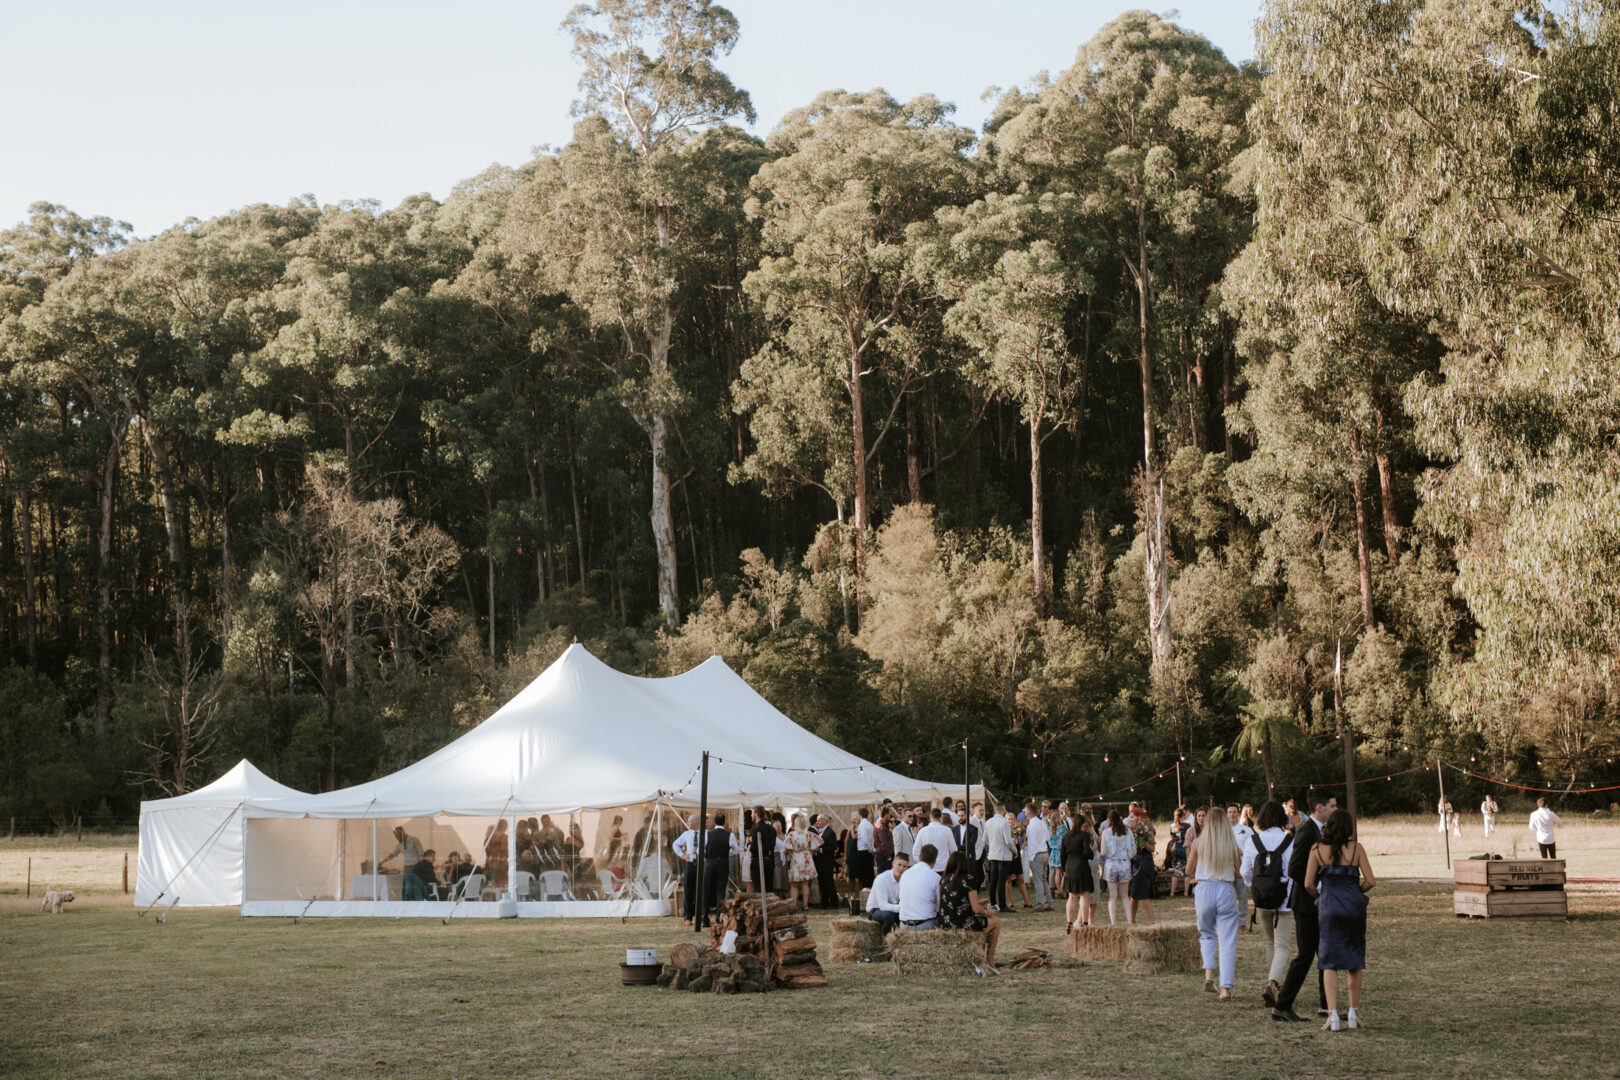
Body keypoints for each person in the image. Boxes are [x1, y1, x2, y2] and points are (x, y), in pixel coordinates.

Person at [1305, 809, 1376, 1031]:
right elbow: (1371, 881)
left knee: (1329, 962)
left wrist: (1321, 898)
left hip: (1328, 907)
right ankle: (1353, 1013)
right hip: (1353, 907)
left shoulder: (1316, 850)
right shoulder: (1357, 849)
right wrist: (1356, 891)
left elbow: (1308, 884)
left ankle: (1333, 1015)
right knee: (1354, 960)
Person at [1272, 790, 1336, 1023]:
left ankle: (1325, 1004)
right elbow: (1294, 869)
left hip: (1318, 901)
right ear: (1319, 808)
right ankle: (1282, 1006)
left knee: (1324, 952)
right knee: (1306, 955)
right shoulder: (1307, 831)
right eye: (1332, 805)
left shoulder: (1322, 830)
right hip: (1306, 902)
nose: (1335, 810)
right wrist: (1318, 885)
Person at [1242, 800, 1295, 1007]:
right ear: (1282, 819)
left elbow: (1245, 872)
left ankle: (1278, 985)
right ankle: (1272, 984)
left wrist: (1255, 883)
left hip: (1262, 899)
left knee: (1269, 942)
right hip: (1285, 899)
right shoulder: (1289, 841)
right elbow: (1292, 871)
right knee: (1282, 945)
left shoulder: (1253, 841)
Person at [1189, 806, 1242, 1000]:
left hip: (1204, 889)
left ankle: (1209, 975)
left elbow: (1188, 870)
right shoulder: (1232, 844)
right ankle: (1225, 988)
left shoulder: (1198, 843)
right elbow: (1238, 873)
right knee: (1227, 940)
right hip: (1225, 889)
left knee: (1207, 934)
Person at [939, 850, 1002, 974]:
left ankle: (979, 956)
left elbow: (957, 900)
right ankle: (989, 959)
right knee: (995, 922)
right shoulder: (968, 879)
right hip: (962, 925)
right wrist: (988, 912)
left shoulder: (944, 879)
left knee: (982, 921)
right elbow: (976, 909)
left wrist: (978, 902)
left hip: (945, 925)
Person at [1062, 807, 1096, 930]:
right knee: (1084, 895)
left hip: (1070, 867)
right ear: (1082, 824)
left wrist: (1064, 870)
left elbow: (1062, 855)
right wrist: (1091, 854)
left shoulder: (1066, 836)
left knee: (1072, 896)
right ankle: (1085, 923)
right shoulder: (1084, 835)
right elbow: (1087, 852)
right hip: (1081, 866)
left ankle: (1069, 923)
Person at [1101, 809, 1136, 926]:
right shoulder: (1128, 832)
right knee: (1125, 896)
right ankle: (1129, 921)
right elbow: (1133, 851)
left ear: (1109, 820)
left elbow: (1103, 852)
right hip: (1124, 864)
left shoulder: (1106, 832)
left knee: (1112, 897)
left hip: (1111, 864)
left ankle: (1113, 922)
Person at [898, 843, 943, 929]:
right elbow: (941, 905)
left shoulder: (905, 874)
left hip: (903, 925)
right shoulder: (936, 877)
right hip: (925, 925)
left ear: (919, 857)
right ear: (935, 861)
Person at [1126, 803, 1157, 924]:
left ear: (1139, 817)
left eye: (1132, 817)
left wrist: (1142, 838)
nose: (1130, 819)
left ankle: (1152, 922)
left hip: (1144, 861)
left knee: (1143, 894)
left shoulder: (1147, 829)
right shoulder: (1130, 830)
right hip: (1134, 862)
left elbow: (1152, 848)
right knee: (1134, 895)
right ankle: (1131, 921)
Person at [784, 813, 823, 908]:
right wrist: (810, 847)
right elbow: (821, 841)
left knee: (794, 884)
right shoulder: (809, 834)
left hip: (796, 858)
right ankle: (805, 905)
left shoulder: (791, 834)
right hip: (807, 858)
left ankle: (794, 905)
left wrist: (794, 849)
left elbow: (787, 848)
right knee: (805, 883)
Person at [984, 803, 1017, 911]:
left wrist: (991, 847)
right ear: (1003, 810)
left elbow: (985, 840)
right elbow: (1008, 840)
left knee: (993, 880)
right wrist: (1015, 850)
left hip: (993, 854)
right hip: (1003, 855)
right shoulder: (1004, 823)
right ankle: (1002, 905)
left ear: (994, 810)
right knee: (1002, 881)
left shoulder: (988, 822)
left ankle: (994, 903)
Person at [866, 853, 908, 934]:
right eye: (899, 865)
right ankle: (887, 941)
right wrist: (902, 908)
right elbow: (882, 905)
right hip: (875, 910)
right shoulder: (882, 879)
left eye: (905, 866)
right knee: (889, 916)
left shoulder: (905, 880)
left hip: (894, 908)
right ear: (893, 864)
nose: (901, 868)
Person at [1229, 804, 1254, 928]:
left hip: (1242, 866)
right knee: (1228, 896)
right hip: (1227, 866)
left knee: (1242, 896)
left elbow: (1254, 847)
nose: (1232, 814)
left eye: (1234, 812)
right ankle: (1230, 921)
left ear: (1238, 814)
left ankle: (1242, 921)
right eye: (1229, 812)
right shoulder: (1223, 831)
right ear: (1226, 814)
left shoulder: (1246, 830)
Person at [673, 814, 701, 923]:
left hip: (701, 864)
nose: (687, 823)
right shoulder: (686, 834)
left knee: (701, 890)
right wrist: (682, 855)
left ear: (695, 822)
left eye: (689, 822)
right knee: (688, 890)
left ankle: (702, 915)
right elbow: (675, 844)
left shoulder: (706, 834)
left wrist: (698, 851)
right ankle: (688, 916)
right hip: (690, 864)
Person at [1025, 805, 1053, 911]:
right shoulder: (1042, 823)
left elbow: (1031, 843)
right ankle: (1049, 903)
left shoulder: (1031, 826)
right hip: (1045, 852)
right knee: (1043, 879)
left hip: (1037, 854)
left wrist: (1031, 858)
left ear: (1029, 813)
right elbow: (1047, 838)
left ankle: (1040, 904)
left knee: (1038, 881)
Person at [913, 807, 957, 873]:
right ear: (941, 817)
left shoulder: (922, 831)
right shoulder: (947, 830)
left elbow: (915, 851)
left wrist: (922, 864)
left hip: (927, 867)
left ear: (930, 817)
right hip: (943, 866)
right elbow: (953, 850)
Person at [749, 805, 777, 895]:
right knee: (768, 889)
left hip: (759, 862)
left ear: (756, 814)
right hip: (769, 861)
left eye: (752, 813)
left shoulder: (756, 829)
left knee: (759, 889)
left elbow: (754, 848)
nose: (751, 816)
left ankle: (762, 908)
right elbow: (772, 845)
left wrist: (749, 843)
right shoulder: (771, 828)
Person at [813, 814, 840, 908]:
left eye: (819, 820)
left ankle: (833, 903)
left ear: (825, 821)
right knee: (822, 882)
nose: (818, 822)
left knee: (829, 882)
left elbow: (833, 847)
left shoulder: (830, 832)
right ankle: (824, 902)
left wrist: (820, 850)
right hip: (820, 861)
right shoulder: (820, 831)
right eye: (817, 820)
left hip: (827, 862)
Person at [853, 806, 877, 888]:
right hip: (868, 851)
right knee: (869, 873)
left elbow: (865, 839)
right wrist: (872, 849)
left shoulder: (862, 825)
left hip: (864, 851)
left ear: (859, 815)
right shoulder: (870, 825)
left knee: (864, 874)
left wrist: (870, 849)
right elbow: (873, 839)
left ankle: (866, 890)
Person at [873, 808, 895, 876]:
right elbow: (884, 843)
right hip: (883, 857)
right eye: (889, 814)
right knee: (884, 877)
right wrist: (888, 856)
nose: (890, 816)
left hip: (883, 855)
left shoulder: (882, 825)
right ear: (886, 815)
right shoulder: (881, 826)